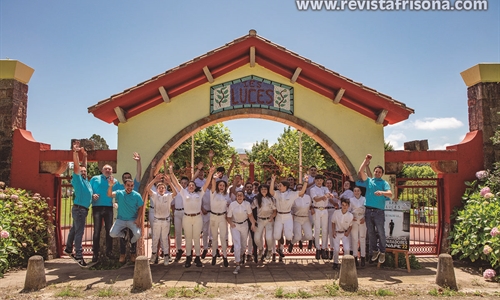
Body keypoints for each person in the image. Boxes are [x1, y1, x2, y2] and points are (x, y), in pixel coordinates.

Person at [170, 163, 215, 268]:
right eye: (189, 185)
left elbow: (207, 183)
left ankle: (198, 257)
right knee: (188, 238)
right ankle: (188, 257)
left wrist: (211, 173)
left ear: (195, 187)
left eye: (192, 185)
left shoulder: (199, 194)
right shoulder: (184, 193)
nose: (190, 186)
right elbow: (176, 183)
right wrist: (171, 172)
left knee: (196, 238)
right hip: (187, 218)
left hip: (197, 217)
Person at [357, 154, 393, 264]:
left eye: (379, 172)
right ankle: (375, 251)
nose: (377, 173)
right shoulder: (369, 181)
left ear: (381, 174)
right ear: (374, 172)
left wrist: (382, 192)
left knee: (381, 232)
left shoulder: (384, 183)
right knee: (371, 233)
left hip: (379, 211)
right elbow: (360, 171)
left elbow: (390, 194)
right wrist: (366, 160)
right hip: (368, 211)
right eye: (376, 171)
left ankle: (382, 252)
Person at [64, 141, 92, 267]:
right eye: (82, 171)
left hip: (82, 209)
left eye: (85, 171)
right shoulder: (78, 179)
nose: (84, 172)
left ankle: (68, 249)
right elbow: (77, 166)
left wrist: (85, 156)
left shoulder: (86, 181)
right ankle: (79, 256)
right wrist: (74, 153)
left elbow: (83, 166)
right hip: (80, 209)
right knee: (79, 232)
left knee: (75, 229)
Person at [269, 174, 309, 261]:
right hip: (279, 215)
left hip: (287, 216)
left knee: (289, 236)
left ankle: (288, 240)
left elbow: (302, 192)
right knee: (276, 236)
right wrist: (272, 180)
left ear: (285, 187)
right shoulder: (278, 193)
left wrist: (305, 181)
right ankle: (280, 238)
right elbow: (271, 192)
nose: (279, 187)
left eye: (281, 185)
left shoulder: (292, 194)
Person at [107, 177, 144, 263]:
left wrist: (138, 219)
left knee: (138, 234)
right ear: (124, 185)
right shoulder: (120, 193)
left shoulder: (137, 195)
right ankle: (124, 236)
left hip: (132, 220)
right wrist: (111, 186)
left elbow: (141, 207)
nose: (129, 187)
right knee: (112, 233)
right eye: (128, 185)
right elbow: (109, 194)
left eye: (131, 186)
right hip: (121, 220)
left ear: (133, 186)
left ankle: (131, 243)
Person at [114, 152, 142, 263]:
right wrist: (114, 204)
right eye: (125, 178)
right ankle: (122, 254)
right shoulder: (120, 188)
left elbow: (139, 173)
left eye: (128, 178)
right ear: (123, 181)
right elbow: (114, 198)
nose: (127, 179)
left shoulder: (134, 186)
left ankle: (133, 253)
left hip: (133, 216)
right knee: (122, 236)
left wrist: (139, 161)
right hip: (122, 216)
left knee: (134, 236)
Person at [145, 173, 176, 265]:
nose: (161, 189)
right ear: (157, 189)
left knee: (164, 239)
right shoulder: (155, 196)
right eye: (159, 188)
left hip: (165, 220)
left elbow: (175, 193)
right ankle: (154, 255)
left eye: (163, 188)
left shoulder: (168, 196)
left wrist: (170, 183)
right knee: (155, 238)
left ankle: (166, 256)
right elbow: (147, 189)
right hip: (157, 220)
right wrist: (154, 180)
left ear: (165, 190)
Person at [90, 163, 118, 262]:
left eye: (109, 169)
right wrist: (93, 195)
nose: (108, 171)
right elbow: (89, 190)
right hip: (97, 206)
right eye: (106, 169)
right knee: (97, 231)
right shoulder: (94, 179)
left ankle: (109, 251)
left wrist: (116, 203)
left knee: (109, 230)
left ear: (112, 171)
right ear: (102, 171)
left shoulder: (114, 181)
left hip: (109, 207)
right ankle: (95, 253)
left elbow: (119, 193)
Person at [227, 190, 257, 274]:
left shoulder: (247, 204)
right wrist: (231, 223)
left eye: (241, 195)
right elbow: (228, 217)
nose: (239, 197)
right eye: (238, 195)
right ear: (236, 197)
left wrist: (253, 224)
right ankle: (237, 264)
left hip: (244, 225)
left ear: (244, 197)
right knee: (237, 245)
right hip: (235, 226)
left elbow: (250, 215)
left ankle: (240, 256)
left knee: (243, 246)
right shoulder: (232, 205)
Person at [310, 174, 333, 260]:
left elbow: (328, 195)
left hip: (324, 209)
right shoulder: (313, 189)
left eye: (320, 180)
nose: (319, 182)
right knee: (316, 230)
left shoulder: (325, 188)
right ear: (315, 181)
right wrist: (324, 197)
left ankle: (323, 248)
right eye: (317, 180)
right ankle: (318, 249)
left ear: (322, 181)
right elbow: (315, 199)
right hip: (317, 209)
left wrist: (326, 196)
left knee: (324, 230)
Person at [209, 178, 231, 267]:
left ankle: (225, 256)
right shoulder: (213, 193)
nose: (222, 187)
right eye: (220, 185)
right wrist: (214, 177)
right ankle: (214, 255)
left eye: (223, 185)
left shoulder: (227, 195)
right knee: (214, 237)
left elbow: (230, 205)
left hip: (222, 217)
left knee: (223, 237)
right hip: (214, 216)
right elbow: (213, 184)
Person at [252, 184, 277, 261]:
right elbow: (250, 209)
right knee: (256, 238)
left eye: (265, 189)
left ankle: (269, 250)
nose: (263, 190)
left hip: (269, 220)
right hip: (260, 220)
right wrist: (253, 221)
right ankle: (260, 249)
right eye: (262, 189)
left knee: (269, 238)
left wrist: (272, 217)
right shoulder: (256, 199)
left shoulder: (271, 199)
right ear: (260, 190)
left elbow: (275, 211)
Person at [290, 183, 313, 253]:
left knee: (309, 236)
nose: (300, 189)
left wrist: (312, 209)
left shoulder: (308, 197)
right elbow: (290, 208)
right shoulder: (294, 198)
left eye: (301, 188)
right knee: (297, 237)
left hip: (306, 218)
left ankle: (301, 240)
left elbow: (311, 205)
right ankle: (292, 243)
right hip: (297, 218)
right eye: (298, 188)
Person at [331, 198, 353, 270]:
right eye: (343, 205)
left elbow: (350, 225)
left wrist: (348, 232)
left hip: (344, 233)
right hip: (337, 232)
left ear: (348, 206)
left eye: (346, 205)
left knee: (347, 248)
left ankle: (346, 263)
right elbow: (333, 222)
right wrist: (333, 231)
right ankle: (335, 263)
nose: (344, 207)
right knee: (336, 249)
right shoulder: (336, 212)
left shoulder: (350, 215)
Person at [171, 174, 189, 262]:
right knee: (178, 233)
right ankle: (179, 250)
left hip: (185, 212)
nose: (183, 184)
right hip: (177, 212)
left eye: (185, 183)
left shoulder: (187, 191)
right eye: (182, 183)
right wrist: (173, 213)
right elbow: (173, 203)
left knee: (186, 233)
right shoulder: (176, 190)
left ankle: (188, 251)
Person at [349, 186, 366, 267]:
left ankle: (363, 257)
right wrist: (352, 217)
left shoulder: (364, 199)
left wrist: (365, 217)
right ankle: (355, 257)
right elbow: (349, 210)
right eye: (355, 191)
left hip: (362, 219)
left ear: (360, 192)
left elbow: (367, 209)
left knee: (362, 238)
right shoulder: (351, 200)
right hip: (354, 219)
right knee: (355, 239)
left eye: (358, 191)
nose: (356, 192)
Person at [325, 178, 340, 260]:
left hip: (332, 210)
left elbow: (337, 203)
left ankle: (331, 249)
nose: (329, 184)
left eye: (330, 183)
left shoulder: (334, 193)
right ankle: (325, 249)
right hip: (324, 210)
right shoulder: (323, 192)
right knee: (325, 231)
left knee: (331, 231)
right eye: (327, 183)